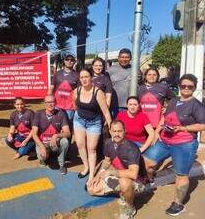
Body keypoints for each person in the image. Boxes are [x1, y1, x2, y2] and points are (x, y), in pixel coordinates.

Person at [143, 74, 205, 216]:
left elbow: (202, 125)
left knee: (181, 174)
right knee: (147, 162)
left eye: (190, 86)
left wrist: (183, 128)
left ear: (194, 87)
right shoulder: (174, 100)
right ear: (179, 86)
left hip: (184, 144)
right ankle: (149, 178)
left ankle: (178, 203)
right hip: (164, 140)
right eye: (183, 85)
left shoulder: (197, 105)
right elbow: (164, 117)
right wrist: (157, 132)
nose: (186, 88)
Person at [86, 120, 146, 219]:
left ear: (125, 131)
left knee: (124, 183)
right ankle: (123, 193)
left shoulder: (131, 148)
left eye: (119, 131)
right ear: (110, 131)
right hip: (119, 174)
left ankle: (130, 207)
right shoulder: (108, 143)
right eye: (114, 131)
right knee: (91, 189)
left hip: (138, 181)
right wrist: (98, 176)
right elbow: (106, 161)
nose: (117, 134)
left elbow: (133, 174)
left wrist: (111, 172)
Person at [73, 68, 112, 185]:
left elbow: (105, 112)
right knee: (80, 144)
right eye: (81, 77)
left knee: (91, 148)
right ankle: (86, 168)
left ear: (91, 78)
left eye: (86, 77)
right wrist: (78, 115)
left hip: (94, 123)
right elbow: (75, 105)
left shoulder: (98, 92)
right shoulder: (76, 91)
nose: (84, 79)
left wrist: (110, 126)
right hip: (79, 120)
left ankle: (91, 176)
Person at [32, 95, 71, 175]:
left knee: (65, 141)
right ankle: (45, 157)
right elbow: (34, 134)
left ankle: (62, 164)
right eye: (48, 102)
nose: (50, 104)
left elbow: (68, 133)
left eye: (52, 102)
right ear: (45, 103)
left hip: (54, 143)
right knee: (43, 157)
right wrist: (42, 147)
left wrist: (56, 135)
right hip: (43, 143)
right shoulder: (38, 113)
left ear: (55, 102)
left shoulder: (61, 114)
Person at [108, 48, 142, 116]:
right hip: (113, 106)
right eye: (122, 57)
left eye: (127, 57)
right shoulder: (110, 70)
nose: (124, 59)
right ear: (118, 58)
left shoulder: (135, 70)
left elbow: (141, 86)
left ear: (130, 58)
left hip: (129, 107)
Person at [48, 54, 79, 124]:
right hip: (57, 105)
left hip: (70, 107)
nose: (69, 61)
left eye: (72, 60)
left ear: (74, 62)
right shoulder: (57, 74)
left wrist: (75, 105)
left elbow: (78, 91)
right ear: (64, 61)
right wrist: (48, 100)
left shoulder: (77, 75)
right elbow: (51, 88)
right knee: (56, 124)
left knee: (69, 125)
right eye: (67, 59)